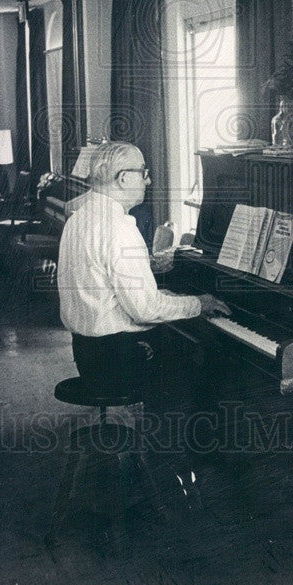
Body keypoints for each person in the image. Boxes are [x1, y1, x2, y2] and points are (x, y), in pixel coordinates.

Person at [57, 141, 230, 395]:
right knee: (210, 359)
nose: (147, 182)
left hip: (86, 353)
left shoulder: (78, 217)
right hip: (118, 360)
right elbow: (145, 310)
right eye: (144, 173)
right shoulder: (120, 229)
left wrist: (170, 298)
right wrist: (199, 303)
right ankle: (198, 433)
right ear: (124, 178)